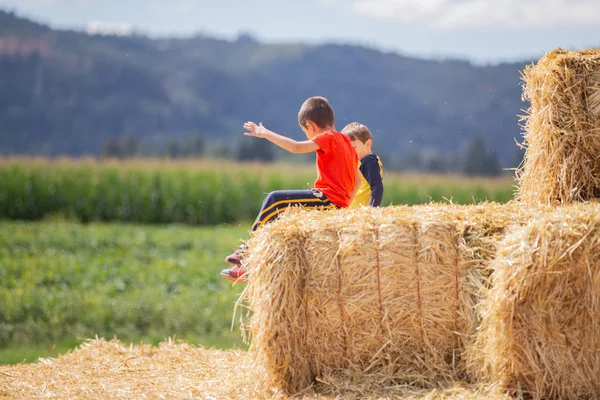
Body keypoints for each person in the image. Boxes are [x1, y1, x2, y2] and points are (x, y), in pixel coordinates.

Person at [220, 96, 360, 282]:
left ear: (310, 126)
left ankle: (248, 252)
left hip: (326, 199)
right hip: (336, 203)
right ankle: (254, 266)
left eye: (305, 132)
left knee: (275, 199)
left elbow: (295, 147)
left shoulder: (328, 137)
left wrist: (265, 133)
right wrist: (344, 205)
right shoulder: (348, 144)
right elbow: (358, 181)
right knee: (280, 216)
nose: (308, 136)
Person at [341, 122, 384, 207]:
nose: (350, 152)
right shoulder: (359, 162)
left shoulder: (368, 161)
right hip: (356, 211)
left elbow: (377, 187)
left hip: (362, 209)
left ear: (368, 143)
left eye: (353, 148)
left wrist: (372, 207)